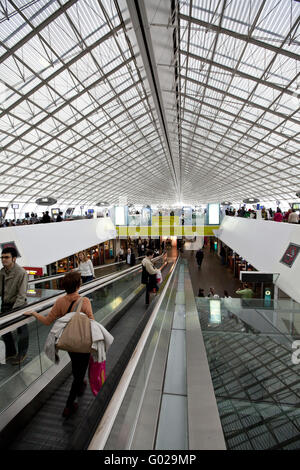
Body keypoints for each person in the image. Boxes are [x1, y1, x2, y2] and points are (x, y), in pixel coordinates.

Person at [24, 271, 94, 417]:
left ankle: (80, 383)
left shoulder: (60, 301)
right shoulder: (85, 301)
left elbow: (47, 321)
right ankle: (69, 405)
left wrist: (34, 313)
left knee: (76, 366)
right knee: (80, 371)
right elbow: (92, 323)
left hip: (68, 341)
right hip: (83, 342)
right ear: (77, 285)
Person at [0, 247, 29, 364]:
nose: (3, 260)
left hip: (19, 305)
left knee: (21, 329)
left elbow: (22, 295)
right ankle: (10, 352)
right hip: (5, 304)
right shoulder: (1, 272)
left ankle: (22, 353)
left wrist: (14, 311)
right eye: (2, 257)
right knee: (4, 329)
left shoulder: (21, 272)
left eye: (6, 257)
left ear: (14, 259)